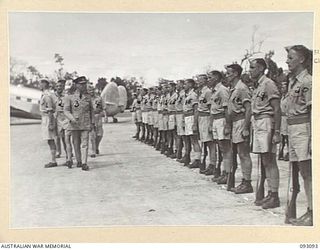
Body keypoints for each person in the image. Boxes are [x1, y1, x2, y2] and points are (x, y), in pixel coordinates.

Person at [285, 45, 312, 226]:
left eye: (291, 58)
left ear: (301, 59)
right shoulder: (293, 81)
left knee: (308, 172)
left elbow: (313, 112)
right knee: (302, 172)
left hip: (304, 128)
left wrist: (312, 139)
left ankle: (312, 211)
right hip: (293, 128)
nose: (287, 61)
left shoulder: (308, 81)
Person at [249, 58, 281, 209]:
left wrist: (277, 131)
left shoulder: (268, 84)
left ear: (261, 68)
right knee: (265, 160)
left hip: (266, 122)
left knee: (270, 160)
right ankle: (270, 193)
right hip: (258, 122)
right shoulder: (257, 85)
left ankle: (274, 195)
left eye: (253, 67)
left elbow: (276, 109)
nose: (250, 70)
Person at [225, 64, 253, 193]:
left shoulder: (242, 88)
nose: (227, 75)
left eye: (229, 73)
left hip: (242, 121)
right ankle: (241, 180)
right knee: (236, 153)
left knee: (243, 154)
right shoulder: (232, 89)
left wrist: (246, 127)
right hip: (235, 122)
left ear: (236, 73)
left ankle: (247, 182)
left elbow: (248, 108)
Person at [64, 76, 95, 171]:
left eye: (84, 84)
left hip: (85, 123)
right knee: (76, 143)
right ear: (76, 85)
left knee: (85, 143)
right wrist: (72, 119)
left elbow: (91, 111)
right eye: (81, 84)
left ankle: (84, 163)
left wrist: (92, 122)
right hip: (74, 124)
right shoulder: (69, 97)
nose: (84, 86)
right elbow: (66, 110)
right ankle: (79, 161)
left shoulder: (88, 97)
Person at [208, 70, 232, 183]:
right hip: (216, 119)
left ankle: (228, 174)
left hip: (222, 119)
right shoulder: (214, 91)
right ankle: (224, 172)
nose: (209, 80)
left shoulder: (222, 90)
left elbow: (227, 108)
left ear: (217, 78)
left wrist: (227, 125)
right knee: (222, 148)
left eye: (211, 77)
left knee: (226, 149)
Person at [195, 74, 216, 175]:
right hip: (201, 118)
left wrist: (210, 123)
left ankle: (212, 165)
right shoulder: (201, 92)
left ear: (205, 80)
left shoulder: (207, 91)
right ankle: (209, 164)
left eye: (200, 80)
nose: (198, 82)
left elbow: (211, 107)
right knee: (205, 142)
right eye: (197, 80)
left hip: (207, 117)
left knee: (210, 143)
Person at [183, 79, 201, 168]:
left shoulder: (193, 95)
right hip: (187, 117)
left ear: (190, 85)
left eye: (186, 84)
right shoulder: (187, 95)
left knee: (194, 140)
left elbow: (196, 109)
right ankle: (193, 158)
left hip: (191, 117)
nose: (184, 86)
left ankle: (197, 159)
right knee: (191, 139)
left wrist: (195, 123)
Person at [40, 79, 58, 168]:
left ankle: (53, 160)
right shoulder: (45, 94)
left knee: (50, 140)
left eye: (41, 83)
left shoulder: (47, 96)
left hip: (47, 118)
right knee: (49, 140)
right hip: (45, 118)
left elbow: (50, 110)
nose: (40, 85)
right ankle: (53, 159)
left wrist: (51, 123)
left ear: (45, 84)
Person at [53, 79, 70, 165]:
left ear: (63, 87)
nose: (59, 88)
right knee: (57, 137)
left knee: (66, 139)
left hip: (65, 118)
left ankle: (68, 158)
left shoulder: (66, 96)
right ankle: (58, 152)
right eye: (57, 86)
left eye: (61, 86)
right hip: (57, 118)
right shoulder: (53, 96)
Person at [88, 85, 106, 157]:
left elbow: (103, 107)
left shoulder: (99, 98)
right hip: (89, 117)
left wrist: (105, 116)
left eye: (92, 90)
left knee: (99, 134)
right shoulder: (85, 99)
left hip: (98, 116)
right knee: (92, 135)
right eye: (89, 90)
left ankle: (96, 146)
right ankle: (93, 151)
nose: (91, 91)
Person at [166, 82, 178, 158]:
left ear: (173, 87)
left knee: (175, 134)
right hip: (169, 115)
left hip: (174, 115)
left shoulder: (176, 95)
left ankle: (177, 150)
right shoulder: (168, 96)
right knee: (170, 133)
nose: (168, 89)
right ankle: (171, 148)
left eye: (169, 87)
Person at [278, 80, 289, 161]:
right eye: (281, 87)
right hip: (282, 119)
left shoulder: (289, 97)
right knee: (282, 137)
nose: (282, 88)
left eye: (283, 87)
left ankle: (288, 153)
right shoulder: (282, 97)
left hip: (287, 118)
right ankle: (280, 153)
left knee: (287, 137)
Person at [175, 80, 186, 162]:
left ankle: (185, 154)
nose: (176, 86)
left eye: (178, 85)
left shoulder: (183, 94)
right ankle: (179, 152)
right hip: (177, 114)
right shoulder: (179, 94)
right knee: (179, 134)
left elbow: (184, 107)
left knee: (184, 136)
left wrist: (183, 118)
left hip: (182, 115)